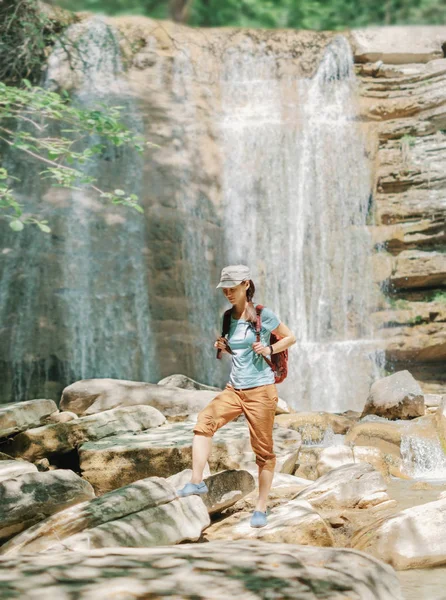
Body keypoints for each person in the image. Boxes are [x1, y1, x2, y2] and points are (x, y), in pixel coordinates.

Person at [177, 264, 296, 527]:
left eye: (232, 288)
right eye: (225, 289)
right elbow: (240, 352)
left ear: (246, 285)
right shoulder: (227, 317)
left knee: (263, 452)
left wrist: (268, 347)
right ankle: (196, 482)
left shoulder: (264, 315)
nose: (228, 293)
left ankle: (261, 508)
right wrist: (225, 347)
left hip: (261, 392)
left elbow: (290, 338)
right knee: (204, 423)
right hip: (234, 389)